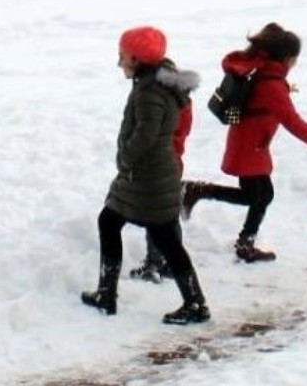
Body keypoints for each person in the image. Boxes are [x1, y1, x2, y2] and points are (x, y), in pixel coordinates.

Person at [182, 23, 307, 263]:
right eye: (294, 59)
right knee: (258, 196)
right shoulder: (271, 84)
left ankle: (241, 238)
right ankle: (199, 193)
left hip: (251, 144)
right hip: (250, 147)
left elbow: (264, 100)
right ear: (288, 59)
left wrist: (284, 90)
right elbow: (292, 121)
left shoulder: (266, 74)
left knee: (262, 195)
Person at [80, 27, 210, 325]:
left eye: (122, 56)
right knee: (112, 222)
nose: (119, 62)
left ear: (137, 59)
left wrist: (125, 157)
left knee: (162, 238)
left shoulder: (150, 92)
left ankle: (195, 304)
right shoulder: (153, 83)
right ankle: (107, 293)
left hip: (148, 176)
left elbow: (146, 134)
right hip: (147, 175)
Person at [130, 76, 196, 284]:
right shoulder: (183, 101)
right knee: (169, 215)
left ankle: (154, 263)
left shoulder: (160, 105)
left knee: (155, 215)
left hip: (158, 165)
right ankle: (170, 263)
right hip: (174, 163)